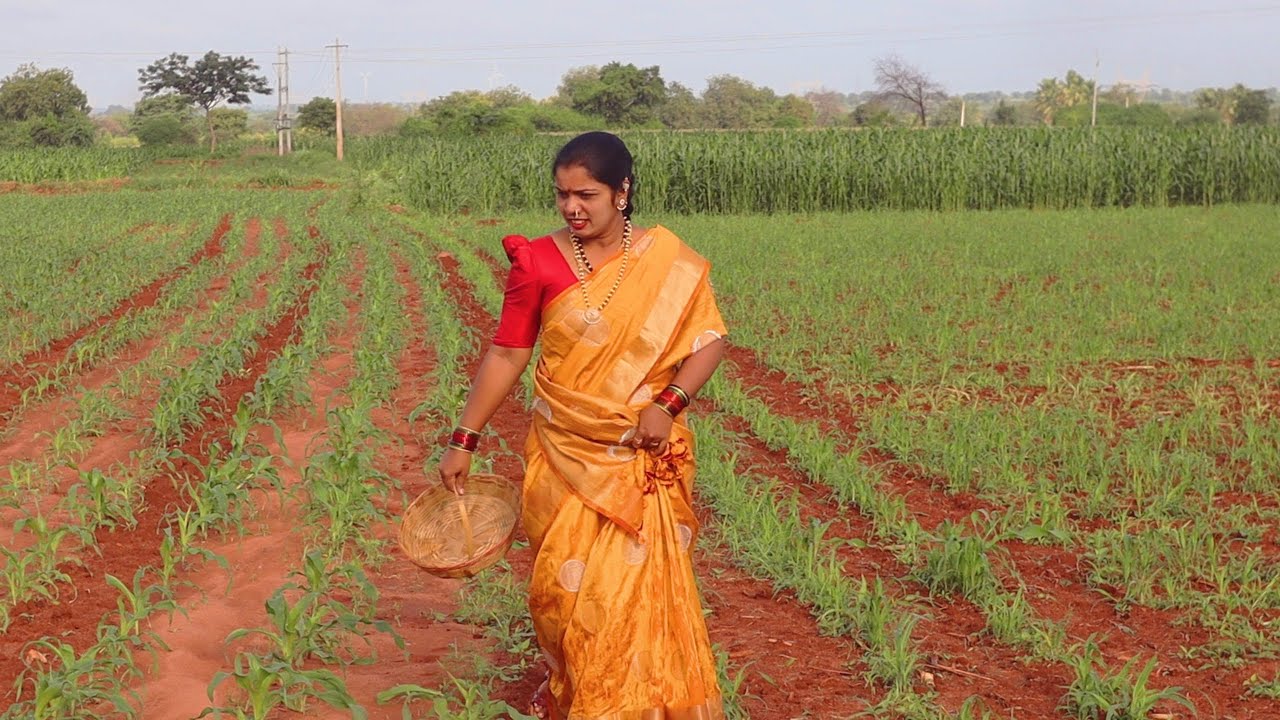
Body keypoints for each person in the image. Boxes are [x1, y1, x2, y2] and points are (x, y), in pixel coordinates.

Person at [437, 131, 728, 719]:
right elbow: (507, 354)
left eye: (587, 195)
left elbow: (709, 340)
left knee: (634, 594)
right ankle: (586, 692)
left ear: (622, 192)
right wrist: (463, 437)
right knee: (567, 596)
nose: (572, 207)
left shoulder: (668, 261)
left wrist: (667, 403)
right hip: (564, 452)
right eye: (562, 195)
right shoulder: (537, 261)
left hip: (641, 453)